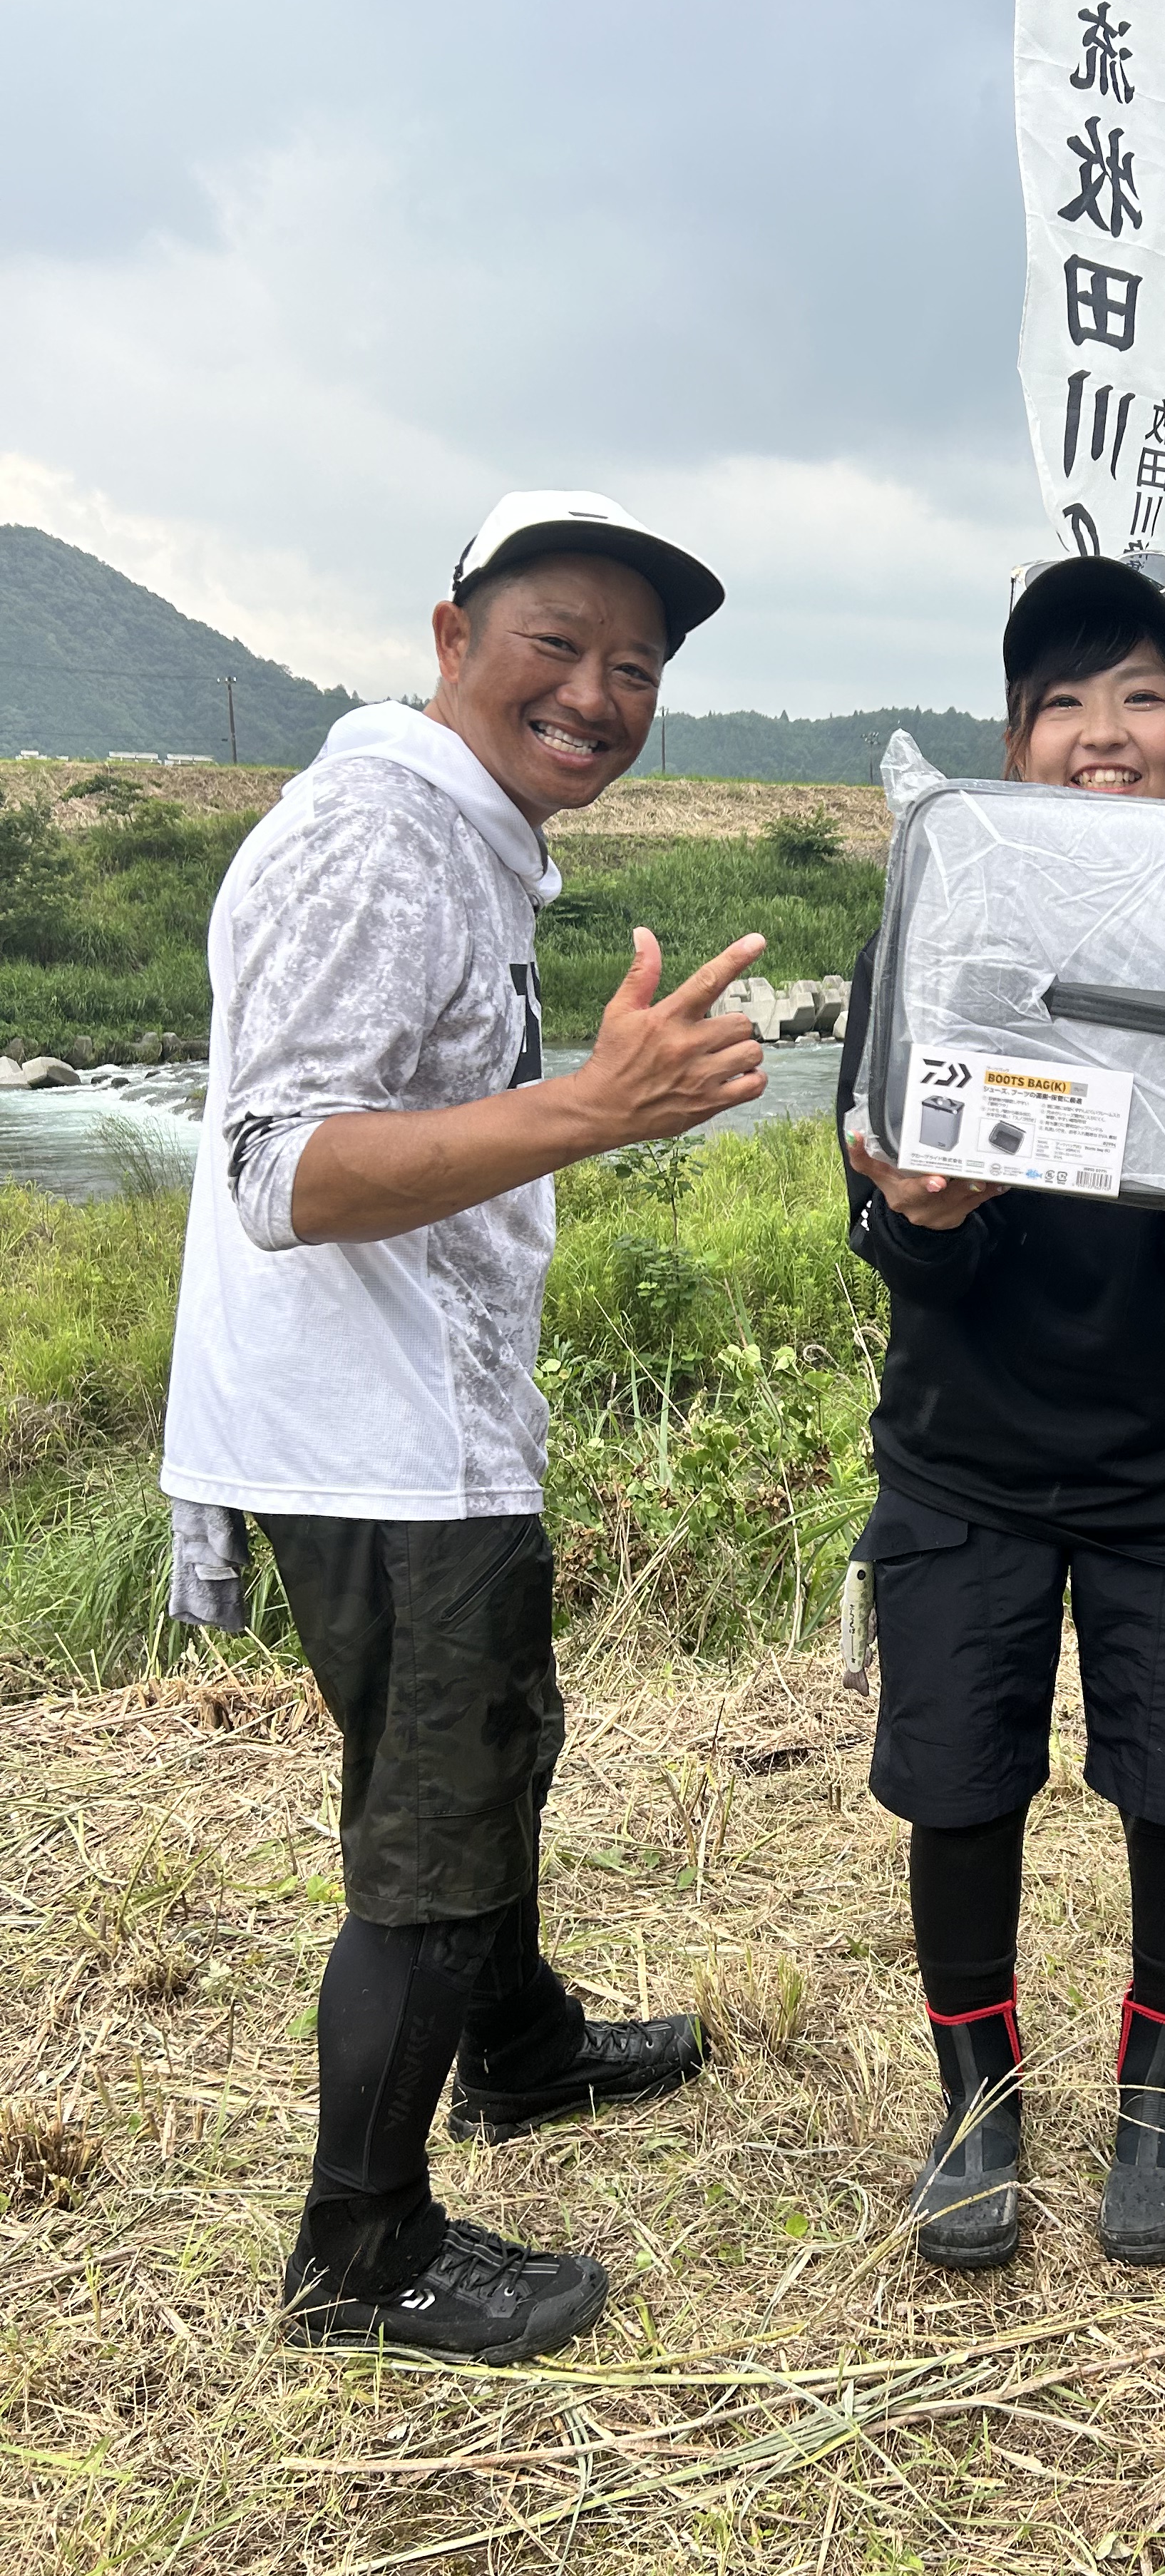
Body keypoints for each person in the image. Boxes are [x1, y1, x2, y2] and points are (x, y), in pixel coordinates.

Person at [163, 491, 769, 2365]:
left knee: (494, 1745)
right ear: (451, 640)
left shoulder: (465, 838)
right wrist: (593, 1107)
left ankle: (519, 2046)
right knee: (435, 1828)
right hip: (371, 1432)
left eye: (634, 668)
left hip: (415, 1415)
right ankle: (362, 2247)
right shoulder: (379, 841)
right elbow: (278, 1170)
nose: (594, 696)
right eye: (555, 646)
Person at [833, 553, 1165, 2271]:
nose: (1102, 732)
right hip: (963, 1459)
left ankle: (1162, 2100)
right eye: (1061, 703)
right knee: (958, 1790)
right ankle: (977, 2102)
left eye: (1141, 697)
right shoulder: (935, 923)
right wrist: (920, 1215)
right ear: (1013, 739)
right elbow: (894, 1230)